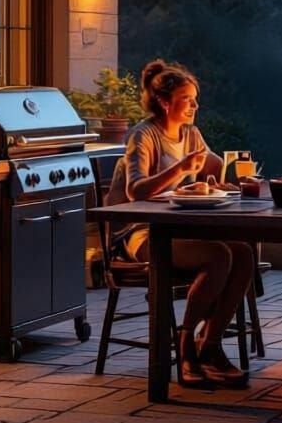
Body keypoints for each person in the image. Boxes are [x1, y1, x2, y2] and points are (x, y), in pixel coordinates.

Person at [105, 60, 255, 389]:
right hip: (140, 234)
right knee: (219, 255)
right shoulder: (143, 135)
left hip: (176, 230)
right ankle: (185, 346)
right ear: (164, 101)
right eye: (187, 99)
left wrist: (215, 179)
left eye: (195, 99)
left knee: (243, 253)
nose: (194, 106)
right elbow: (135, 190)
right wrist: (181, 169)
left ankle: (210, 345)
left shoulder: (190, 134)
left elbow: (212, 164)